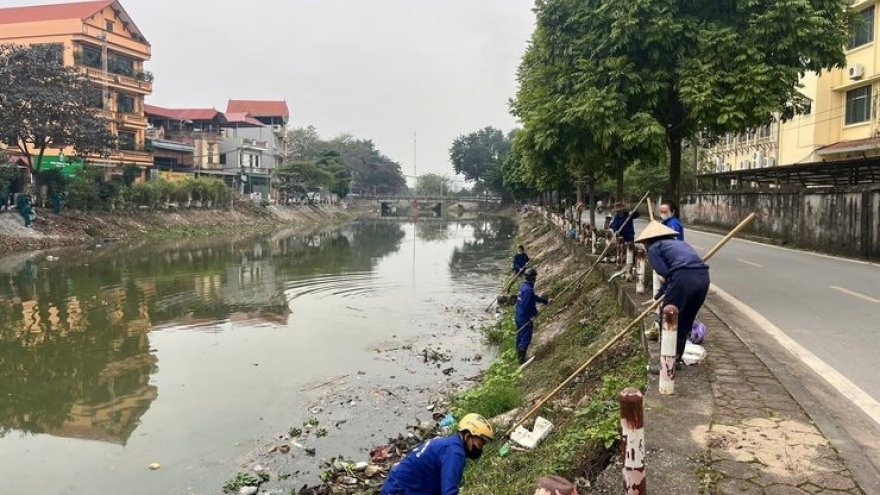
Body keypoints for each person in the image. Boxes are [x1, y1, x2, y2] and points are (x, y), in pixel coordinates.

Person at [636, 221, 710, 363]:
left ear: (647, 242)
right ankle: (676, 360)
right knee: (685, 321)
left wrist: (662, 293)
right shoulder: (680, 244)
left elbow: (666, 274)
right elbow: (672, 276)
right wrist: (659, 295)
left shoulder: (654, 249)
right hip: (703, 278)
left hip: (683, 279)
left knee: (668, 318)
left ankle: (666, 365)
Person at [380, 413, 494, 495]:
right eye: (479, 444)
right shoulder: (455, 453)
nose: (479, 449)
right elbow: (449, 491)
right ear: (467, 436)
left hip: (397, 484)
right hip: (400, 490)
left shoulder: (446, 443)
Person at [515, 268, 551, 364]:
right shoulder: (528, 290)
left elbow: (533, 298)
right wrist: (531, 316)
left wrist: (545, 301)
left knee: (520, 336)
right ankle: (521, 360)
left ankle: (518, 356)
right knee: (525, 337)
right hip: (524, 318)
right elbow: (526, 305)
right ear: (533, 278)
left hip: (518, 316)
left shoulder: (524, 287)